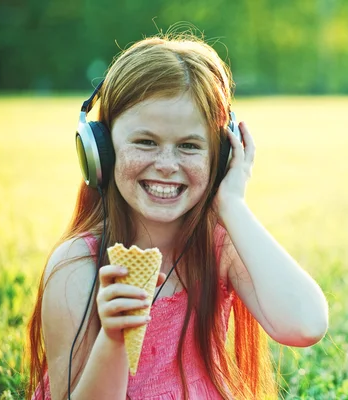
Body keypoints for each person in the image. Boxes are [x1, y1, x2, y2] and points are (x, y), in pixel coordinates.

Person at [26, 33, 329, 400]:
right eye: (145, 142)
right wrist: (113, 338)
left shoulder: (221, 248)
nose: (167, 165)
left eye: (189, 146)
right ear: (99, 151)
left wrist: (232, 205)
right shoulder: (78, 267)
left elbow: (305, 324)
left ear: (220, 159)